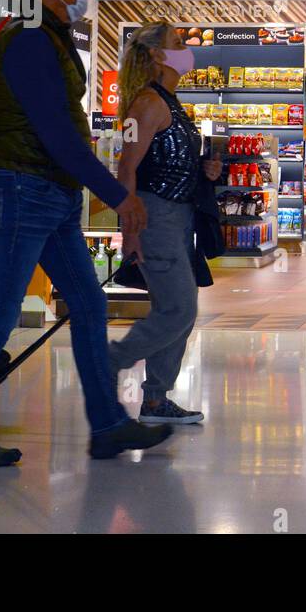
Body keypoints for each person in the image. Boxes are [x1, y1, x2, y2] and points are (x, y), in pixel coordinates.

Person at [0, 0, 169, 466]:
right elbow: (57, 133)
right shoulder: (31, 41)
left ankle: (107, 425)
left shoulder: (52, 37)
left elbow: (63, 137)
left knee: (88, 305)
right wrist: (118, 197)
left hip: (50, 192)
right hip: (23, 189)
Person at [109, 22, 219, 424]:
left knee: (178, 310)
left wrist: (205, 169)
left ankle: (156, 400)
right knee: (178, 310)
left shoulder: (171, 102)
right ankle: (108, 361)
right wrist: (130, 230)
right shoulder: (147, 103)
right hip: (156, 216)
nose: (186, 49)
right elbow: (127, 168)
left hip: (179, 216)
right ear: (157, 56)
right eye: (177, 43)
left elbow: (168, 159)